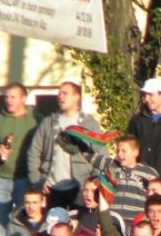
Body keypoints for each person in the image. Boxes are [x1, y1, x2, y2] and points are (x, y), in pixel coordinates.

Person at [28, 81, 104, 209]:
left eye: (65, 93)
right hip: (52, 189)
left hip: (80, 188)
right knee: (54, 227)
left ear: (76, 98)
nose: (60, 96)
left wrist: (95, 180)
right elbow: (33, 152)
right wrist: (37, 181)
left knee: (79, 227)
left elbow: (101, 152)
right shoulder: (48, 123)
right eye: (59, 93)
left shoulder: (88, 124)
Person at [0, 82, 39, 236]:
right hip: (0, 179)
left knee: (23, 224)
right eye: (6, 97)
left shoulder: (35, 120)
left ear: (23, 98)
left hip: (24, 179)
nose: (8, 100)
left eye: (13, 97)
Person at [105, 136, 160, 227]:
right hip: (113, 221)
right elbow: (93, 157)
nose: (119, 154)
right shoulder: (113, 166)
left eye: (124, 151)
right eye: (118, 151)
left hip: (135, 222)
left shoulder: (148, 172)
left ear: (135, 152)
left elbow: (159, 196)